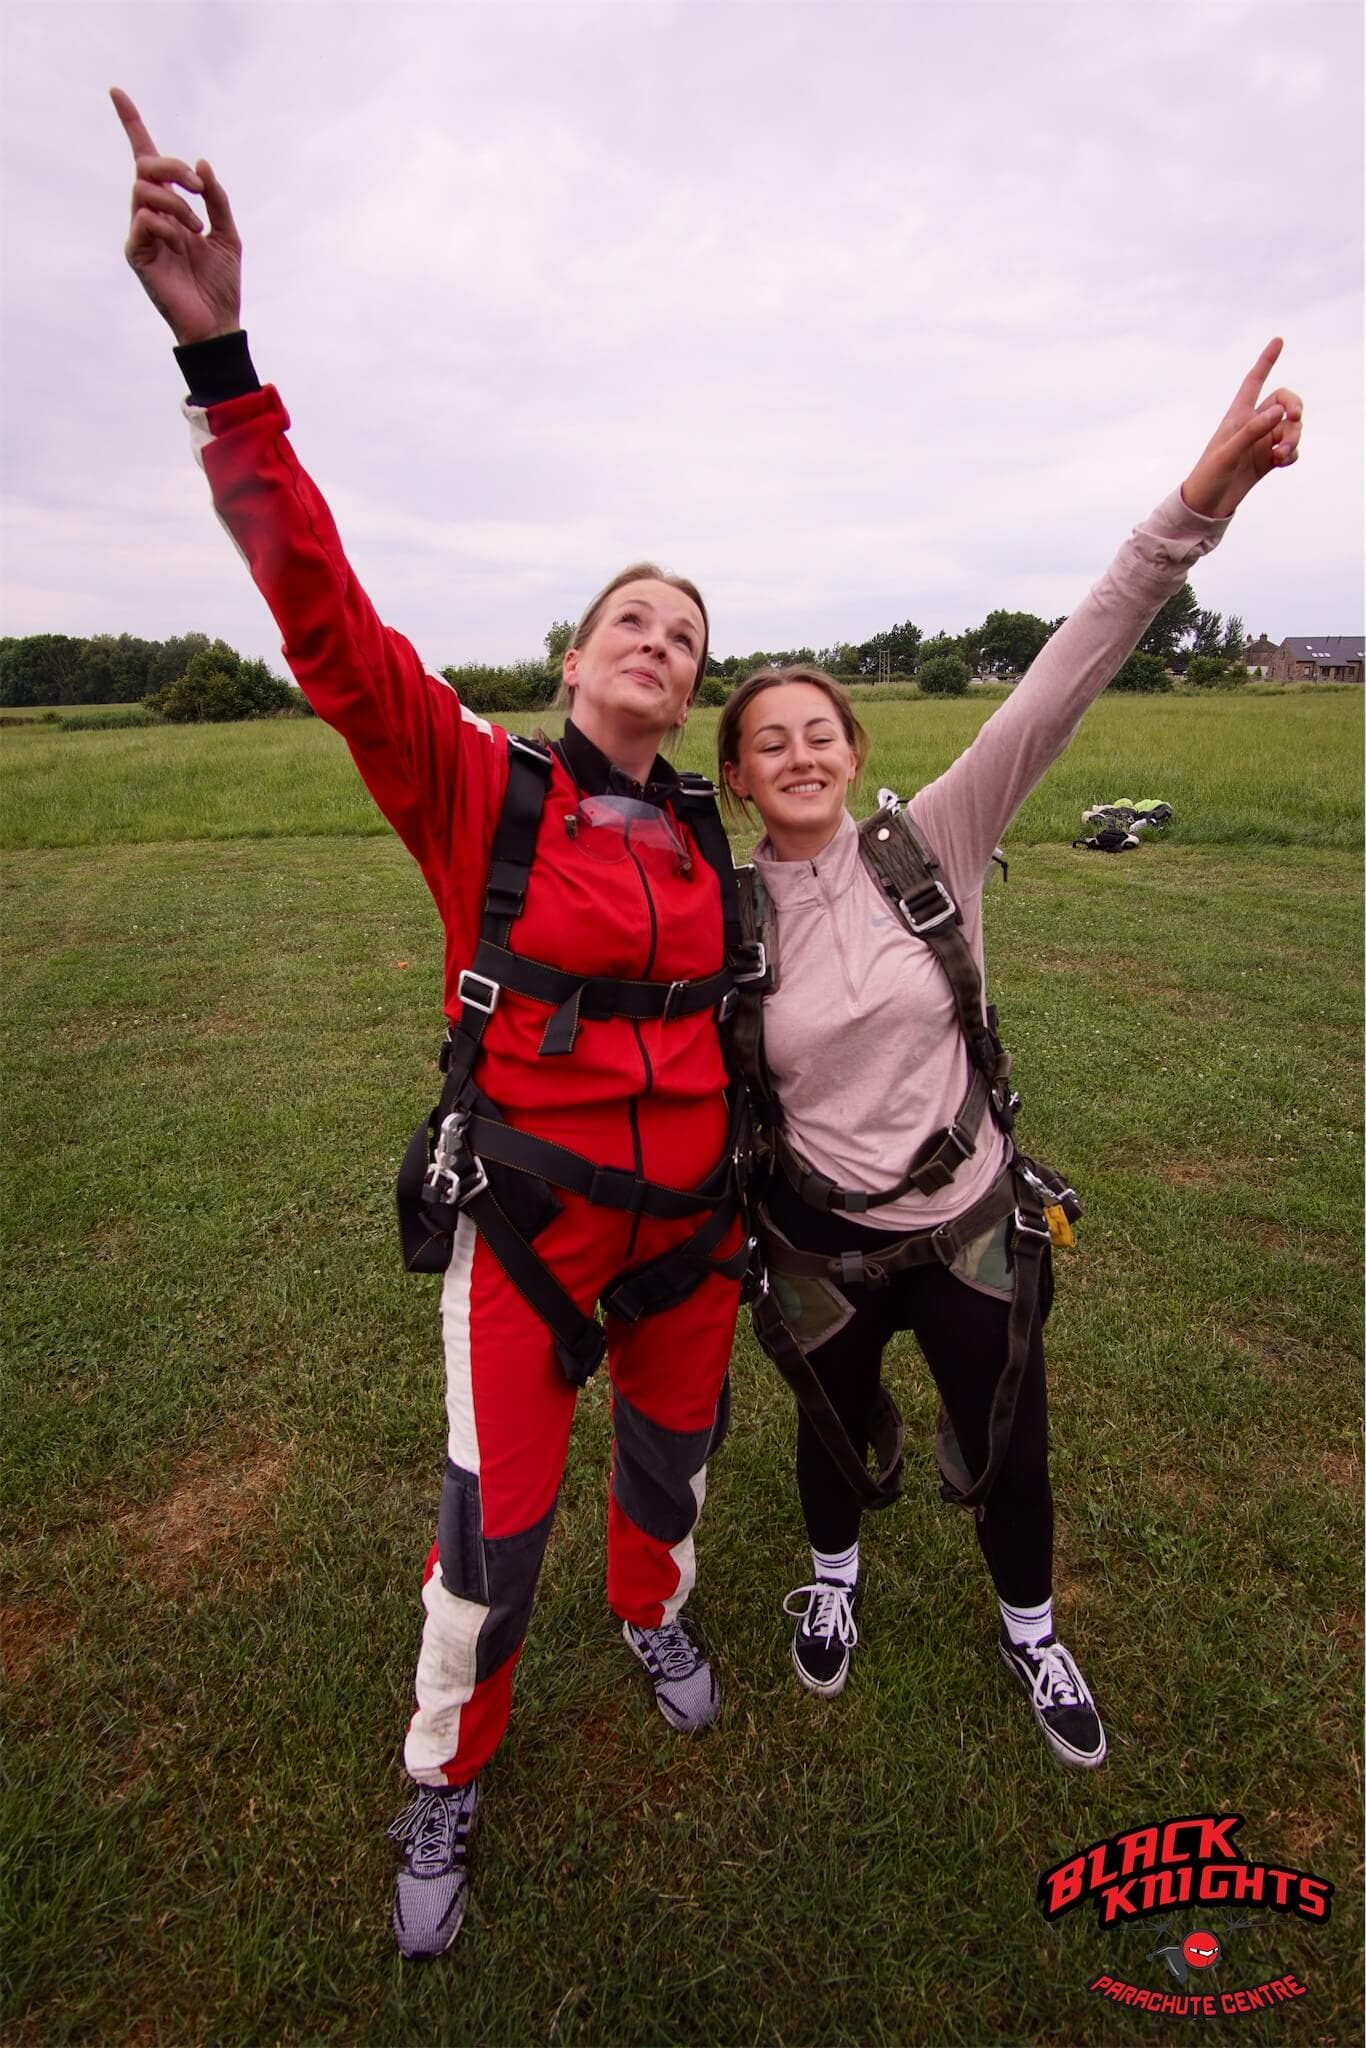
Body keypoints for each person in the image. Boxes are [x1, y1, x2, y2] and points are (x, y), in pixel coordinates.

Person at [112, 89, 748, 1957]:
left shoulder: (713, 840)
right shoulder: (482, 790)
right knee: (489, 1535)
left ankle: (652, 1610)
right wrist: (222, 364)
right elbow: (326, 624)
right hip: (531, 1234)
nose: (659, 645)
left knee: (673, 1469)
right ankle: (446, 1773)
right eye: (633, 621)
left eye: (686, 637)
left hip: (694, 1239)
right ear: (573, 657)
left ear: (692, 691)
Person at [717, 344, 1302, 1767]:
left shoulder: (938, 835)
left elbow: (1066, 673)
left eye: (818, 732)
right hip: (816, 1237)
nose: (798, 755)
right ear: (734, 776)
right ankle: (834, 1577)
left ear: (851, 747)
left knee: (1011, 1441)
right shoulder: (717, 912)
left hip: (969, 1217)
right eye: (767, 743)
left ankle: (1030, 1629)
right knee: (829, 1425)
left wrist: (1200, 503)